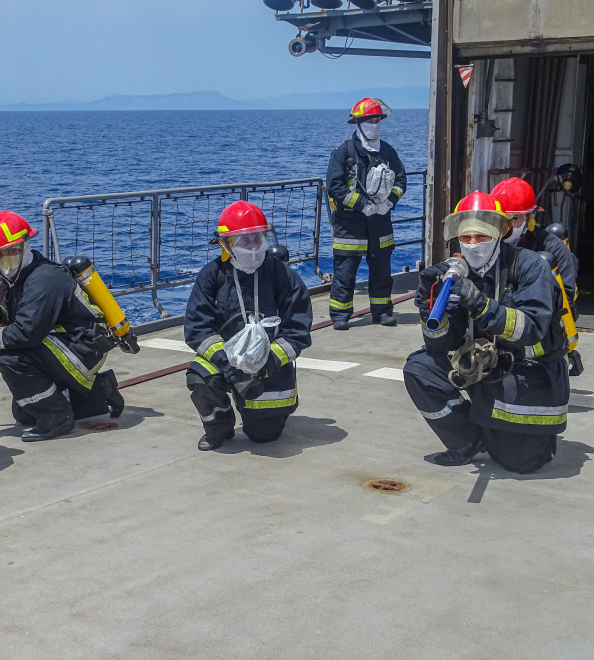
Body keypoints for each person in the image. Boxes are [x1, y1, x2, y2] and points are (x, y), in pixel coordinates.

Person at [403, 191, 569, 474]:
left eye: (481, 237)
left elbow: (530, 329)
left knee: (522, 463)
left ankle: (511, 433)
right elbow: (440, 346)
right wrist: (427, 304)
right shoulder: (458, 273)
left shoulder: (529, 266)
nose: (472, 244)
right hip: (483, 365)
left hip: (527, 372)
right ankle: (467, 440)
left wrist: (480, 304)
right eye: (466, 237)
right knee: (420, 369)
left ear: (499, 234)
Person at [0, 210, 123, 441]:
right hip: (61, 344)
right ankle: (98, 393)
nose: (4, 262)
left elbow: (25, 333)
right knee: (24, 414)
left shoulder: (43, 280)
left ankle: (57, 420)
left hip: (80, 349)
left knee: (10, 359)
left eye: (9, 254)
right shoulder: (21, 276)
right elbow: (23, 317)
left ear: (23, 248)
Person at [184, 201, 313, 451]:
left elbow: (298, 330)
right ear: (226, 243)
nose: (254, 247)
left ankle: (265, 415)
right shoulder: (212, 275)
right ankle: (218, 427)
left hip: (269, 362)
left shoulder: (281, 274)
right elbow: (197, 328)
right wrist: (226, 363)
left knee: (263, 436)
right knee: (199, 376)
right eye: (245, 241)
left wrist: (267, 363)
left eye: (258, 238)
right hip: (226, 358)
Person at [326, 97, 407, 330]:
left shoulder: (388, 152)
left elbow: (401, 180)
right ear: (358, 123)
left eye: (377, 120)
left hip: (380, 222)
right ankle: (340, 315)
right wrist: (361, 204)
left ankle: (382, 312)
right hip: (350, 223)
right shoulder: (343, 152)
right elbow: (335, 185)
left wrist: (389, 203)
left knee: (382, 270)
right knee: (345, 271)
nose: (374, 124)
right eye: (369, 120)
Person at [490, 176, 579, 306]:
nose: (506, 225)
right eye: (501, 218)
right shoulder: (486, 243)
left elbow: (567, 297)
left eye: (514, 219)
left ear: (529, 219)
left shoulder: (553, 247)